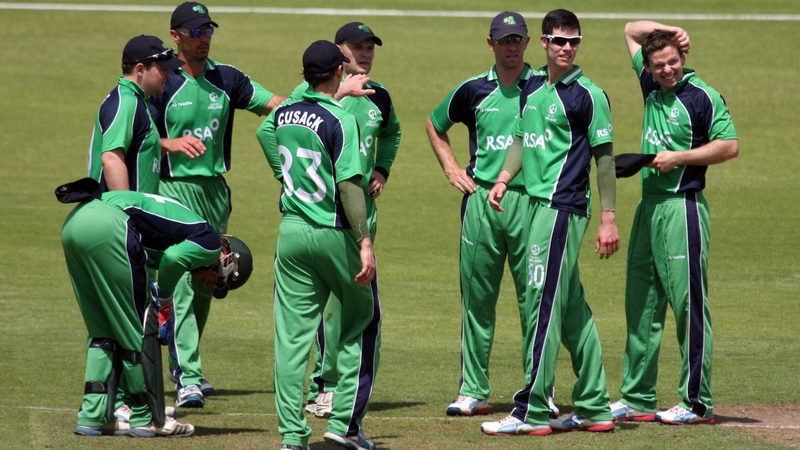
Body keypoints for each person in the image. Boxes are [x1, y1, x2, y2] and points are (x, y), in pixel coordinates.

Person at [480, 9, 619, 436]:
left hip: (562, 209)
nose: (567, 48)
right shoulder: (533, 87)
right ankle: (596, 406)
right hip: (537, 207)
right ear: (543, 42)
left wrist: (608, 219)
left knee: (541, 303)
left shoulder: (589, 95)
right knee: (571, 308)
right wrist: (504, 178)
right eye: (559, 41)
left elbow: (606, 161)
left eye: (574, 41)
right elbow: (522, 138)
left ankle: (533, 410)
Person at [147, 1, 284, 408]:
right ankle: (187, 374)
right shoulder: (162, 81)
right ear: (176, 36)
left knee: (208, 280)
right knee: (185, 286)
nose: (203, 39)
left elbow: (274, 103)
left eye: (208, 31)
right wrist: (169, 143)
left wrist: (322, 97)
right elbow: (133, 133)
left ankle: (186, 365)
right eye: (195, 32)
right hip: (172, 191)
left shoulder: (227, 78)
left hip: (214, 193)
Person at [425, 11, 557, 418]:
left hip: (531, 202)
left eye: (518, 40)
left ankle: (540, 390)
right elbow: (434, 123)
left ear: (529, 42)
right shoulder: (473, 90)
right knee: (477, 300)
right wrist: (450, 168)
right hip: (482, 202)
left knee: (534, 299)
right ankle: (473, 390)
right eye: (505, 40)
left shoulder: (544, 88)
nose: (512, 47)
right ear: (491, 44)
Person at [609, 21, 738, 426]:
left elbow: (729, 146)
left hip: (683, 208)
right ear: (647, 68)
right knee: (642, 304)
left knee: (689, 306)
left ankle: (697, 402)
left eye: (674, 62)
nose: (668, 70)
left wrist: (678, 157)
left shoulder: (703, 96)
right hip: (649, 208)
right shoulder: (650, 87)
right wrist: (672, 28)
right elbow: (630, 29)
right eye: (660, 64)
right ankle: (637, 397)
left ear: (683, 59)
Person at [262, 40, 379, 450]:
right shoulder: (341, 118)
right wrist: (364, 241)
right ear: (338, 74)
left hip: (291, 232)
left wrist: (287, 179)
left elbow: (263, 131)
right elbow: (349, 185)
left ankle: (293, 437)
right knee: (361, 320)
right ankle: (344, 426)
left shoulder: (285, 113)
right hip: (332, 232)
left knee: (292, 339)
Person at [58, 178, 243, 438]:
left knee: (103, 332)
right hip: (112, 225)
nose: (212, 283)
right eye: (220, 280)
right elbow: (174, 258)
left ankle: (94, 415)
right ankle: (146, 416)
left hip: (75, 222)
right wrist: (164, 298)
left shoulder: (189, 229)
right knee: (136, 330)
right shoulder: (210, 242)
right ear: (228, 259)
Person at [301, 21, 401, 420]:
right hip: (321, 213)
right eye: (356, 47)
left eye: (369, 47)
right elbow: (277, 126)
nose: (364, 53)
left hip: (361, 215)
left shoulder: (380, 96)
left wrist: (382, 169)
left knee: (351, 303)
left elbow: (392, 133)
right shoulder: (317, 93)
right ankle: (323, 387)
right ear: (338, 51)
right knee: (325, 306)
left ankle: (338, 387)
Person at [88, 35, 185, 194]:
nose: (169, 74)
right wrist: (127, 208)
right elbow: (112, 159)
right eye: (163, 69)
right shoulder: (126, 102)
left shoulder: (138, 101)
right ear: (140, 69)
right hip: (120, 213)